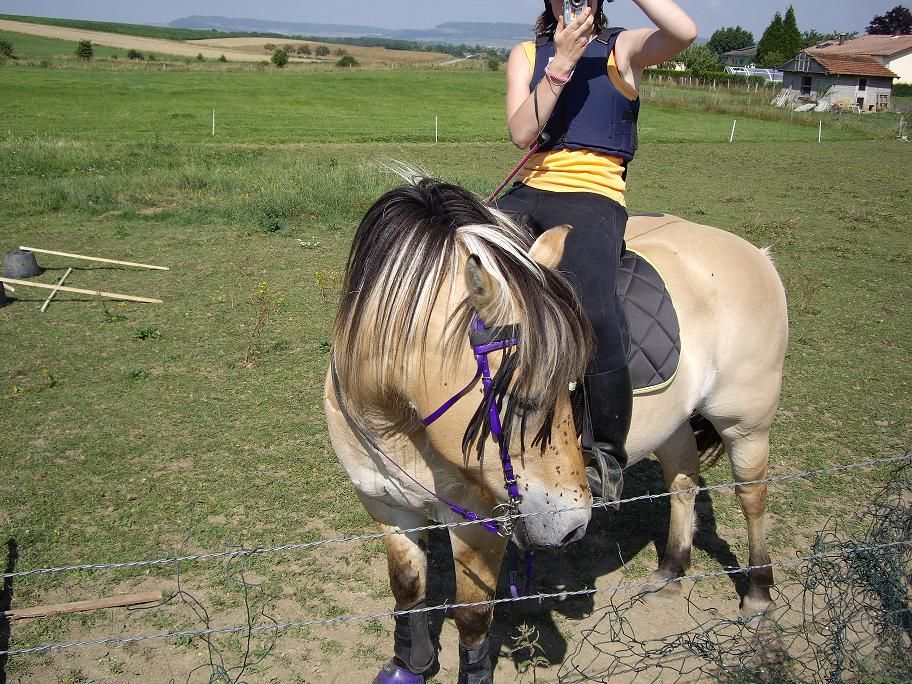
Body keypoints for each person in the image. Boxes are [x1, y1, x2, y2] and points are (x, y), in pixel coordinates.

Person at [493, 0, 696, 493]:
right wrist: (560, 62)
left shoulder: (622, 48)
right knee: (468, 269)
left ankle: (605, 452)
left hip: (593, 195)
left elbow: (684, 32)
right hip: (529, 188)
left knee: (595, 306)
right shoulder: (526, 54)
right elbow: (522, 133)